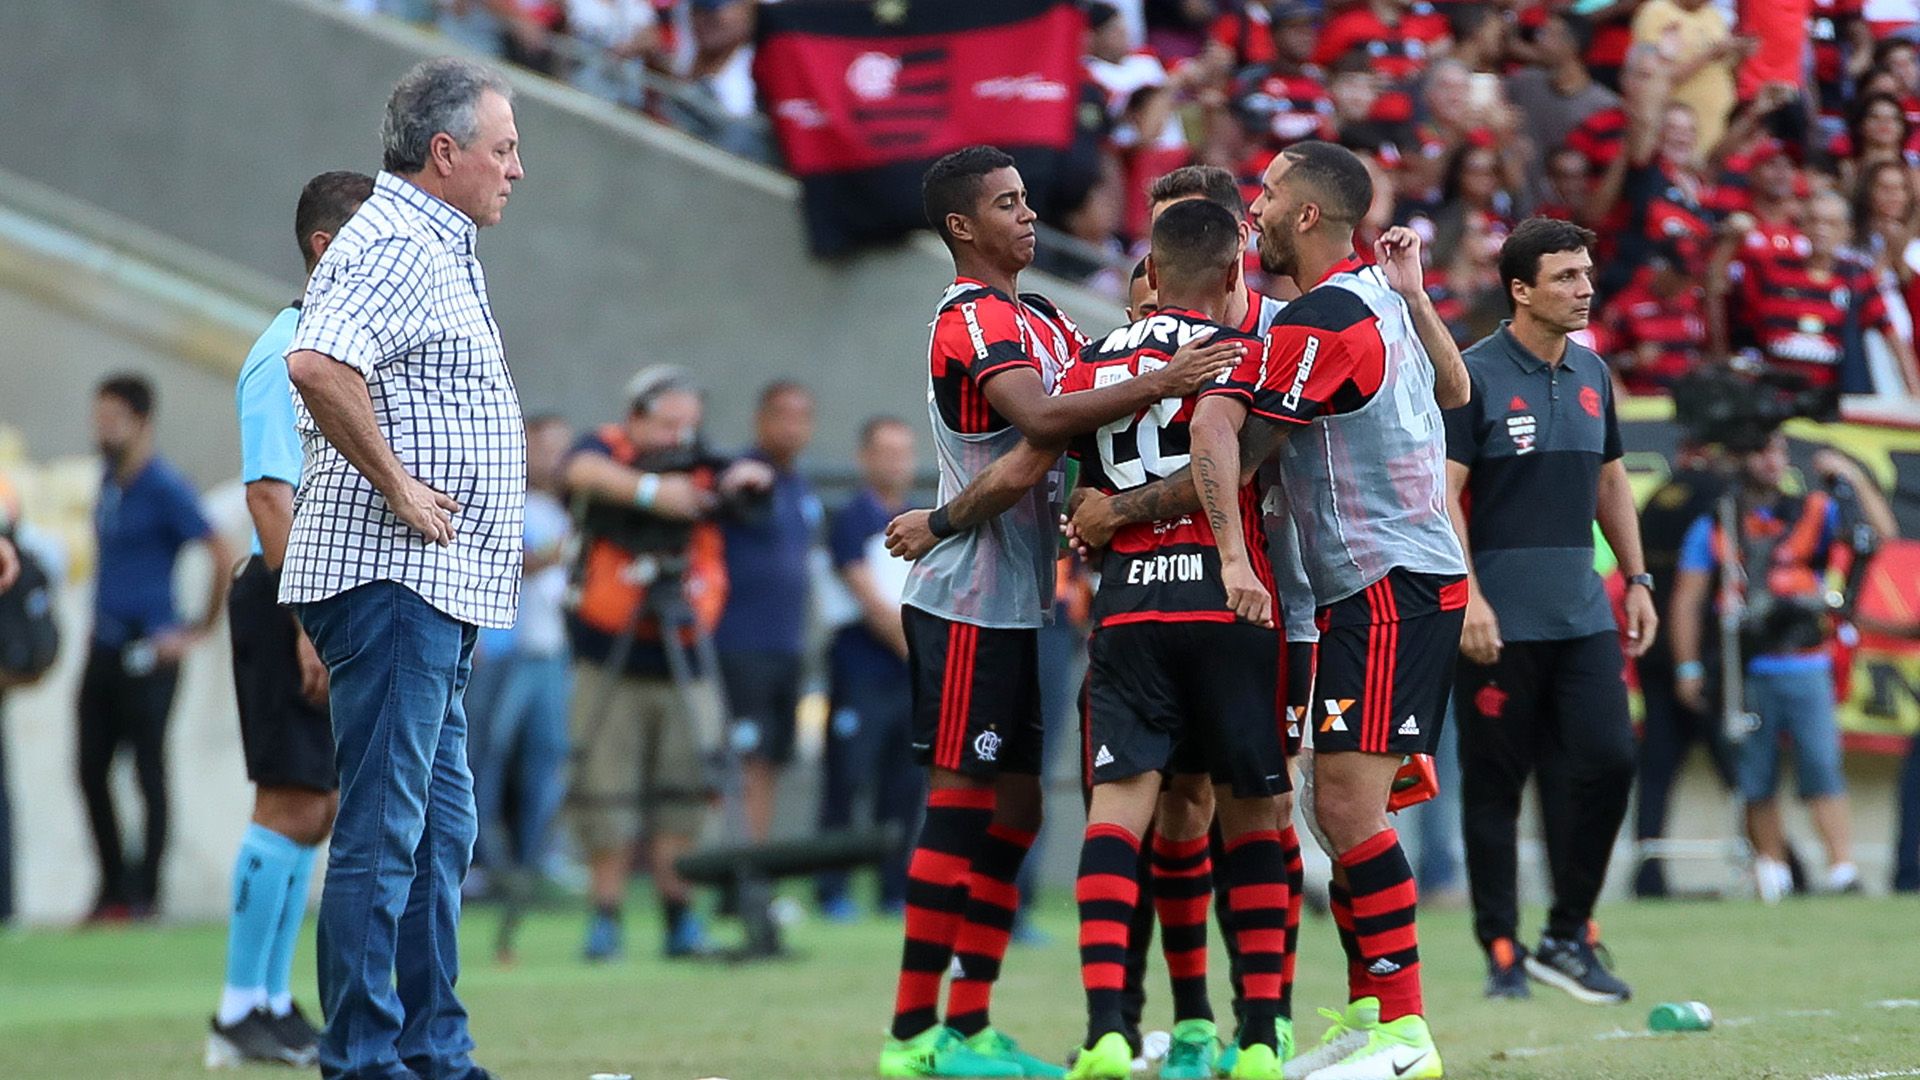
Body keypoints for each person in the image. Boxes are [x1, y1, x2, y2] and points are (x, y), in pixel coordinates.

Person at [1072, 141, 1471, 1080]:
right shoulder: (1369, 298)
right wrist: (1414, 294)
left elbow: (1233, 446)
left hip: (1389, 581)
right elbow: (1456, 393)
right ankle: (1373, 1016)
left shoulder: (1322, 319)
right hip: (1368, 587)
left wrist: (1115, 510)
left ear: (1304, 218)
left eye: (1268, 192)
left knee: (1343, 810)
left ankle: (1404, 1034)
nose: (1252, 207)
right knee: (1327, 810)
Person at [875, 144, 1242, 1079]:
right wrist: (1162, 378)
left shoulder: (1036, 315)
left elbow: (1079, 427)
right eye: (1006, 204)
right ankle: (917, 1038)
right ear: (963, 227)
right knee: (962, 804)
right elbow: (1040, 431)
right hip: (965, 596)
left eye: (1028, 199)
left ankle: (970, 1023)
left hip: (1023, 600)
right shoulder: (966, 321)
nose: (1029, 216)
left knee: (1019, 810)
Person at [281, 57, 525, 1080]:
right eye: (504, 150)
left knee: (436, 839)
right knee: (387, 838)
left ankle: (433, 1050)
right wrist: (397, 485)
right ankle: (365, 1060)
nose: (517, 170)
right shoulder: (393, 239)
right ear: (446, 152)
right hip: (393, 579)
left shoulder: (435, 242)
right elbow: (317, 361)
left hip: (431, 585)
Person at [1058, 199, 1295, 1080]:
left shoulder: (1090, 362)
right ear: (1235, 275)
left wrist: (1099, 520)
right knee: (1250, 814)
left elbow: (1079, 494)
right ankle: (1262, 1037)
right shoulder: (1239, 353)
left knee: (1117, 814)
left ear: (1149, 274)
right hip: (1226, 601)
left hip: (1127, 608)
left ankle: (1110, 1031)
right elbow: (1228, 452)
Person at [1443, 217, 1650, 1005]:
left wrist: (1637, 579)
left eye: (1587, 274)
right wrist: (1469, 598)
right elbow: (1446, 497)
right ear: (1520, 290)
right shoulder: (1470, 376)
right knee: (1497, 788)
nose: (1584, 288)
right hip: (1496, 622)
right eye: (1566, 277)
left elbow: (1611, 484)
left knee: (1608, 760)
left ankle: (1568, 933)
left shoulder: (1596, 371)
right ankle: (1501, 949)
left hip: (1582, 616)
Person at [209, 169, 370, 1070]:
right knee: (289, 801)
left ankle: (270, 999)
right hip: (286, 597)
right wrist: (307, 621)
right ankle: (238, 1009)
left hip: (308, 594)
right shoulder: (286, 351)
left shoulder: (328, 345)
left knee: (317, 809)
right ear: (324, 247)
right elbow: (271, 492)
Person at [562, 365, 772, 960]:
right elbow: (576, 470)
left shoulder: (704, 461)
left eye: (690, 424)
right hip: (608, 657)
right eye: (668, 422)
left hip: (685, 653)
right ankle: (605, 915)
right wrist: (656, 494)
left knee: (687, 789)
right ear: (636, 418)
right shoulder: (607, 450)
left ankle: (680, 915)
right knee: (603, 791)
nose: (680, 437)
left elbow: (746, 485)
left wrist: (740, 480)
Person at [1669, 434, 1894, 901]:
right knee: (1754, 772)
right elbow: (1689, 598)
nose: (1772, 463)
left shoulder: (1813, 510)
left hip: (1806, 662)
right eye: (1761, 450)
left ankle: (1842, 868)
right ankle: (1773, 872)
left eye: (1778, 453)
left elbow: (1881, 534)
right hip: (1746, 665)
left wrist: (1850, 475)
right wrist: (1688, 666)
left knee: (1822, 766)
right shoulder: (1719, 521)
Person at [80, 373, 235, 922]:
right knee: (90, 767)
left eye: (113, 419)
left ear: (141, 422)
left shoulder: (164, 485)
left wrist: (196, 630)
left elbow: (220, 550)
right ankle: (112, 886)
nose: (102, 429)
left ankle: (145, 893)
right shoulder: (107, 482)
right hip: (104, 644)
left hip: (151, 649)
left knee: (149, 770)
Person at [465, 413, 574, 916]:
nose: (556, 458)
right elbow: (509, 563)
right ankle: (476, 861)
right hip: (504, 648)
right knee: (484, 755)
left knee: (546, 756)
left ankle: (537, 858)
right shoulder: (503, 496)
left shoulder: (564, 508)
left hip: (551, 649)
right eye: (545, 445)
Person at [817, 416, 921, 919]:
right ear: (864, 457)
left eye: (903, 452)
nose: (895, 462)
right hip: (862, 667)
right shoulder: (850, 518)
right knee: (848, 776)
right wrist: (915, 649)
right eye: (885, 451)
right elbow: (868, 600)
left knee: (903, 781)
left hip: (907, 677)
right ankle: (832, 889)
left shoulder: (915, 519)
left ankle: (892, 888)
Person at [716, 380, 821, 845]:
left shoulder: (799, 485)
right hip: (742, 645)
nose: (792, 427)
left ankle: (752, 870)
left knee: (770, 763)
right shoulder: (745, 477)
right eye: (782, 415)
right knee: (744, 763)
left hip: (787, 646)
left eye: (802, 417)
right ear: (760, 420)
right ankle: (736, 874)